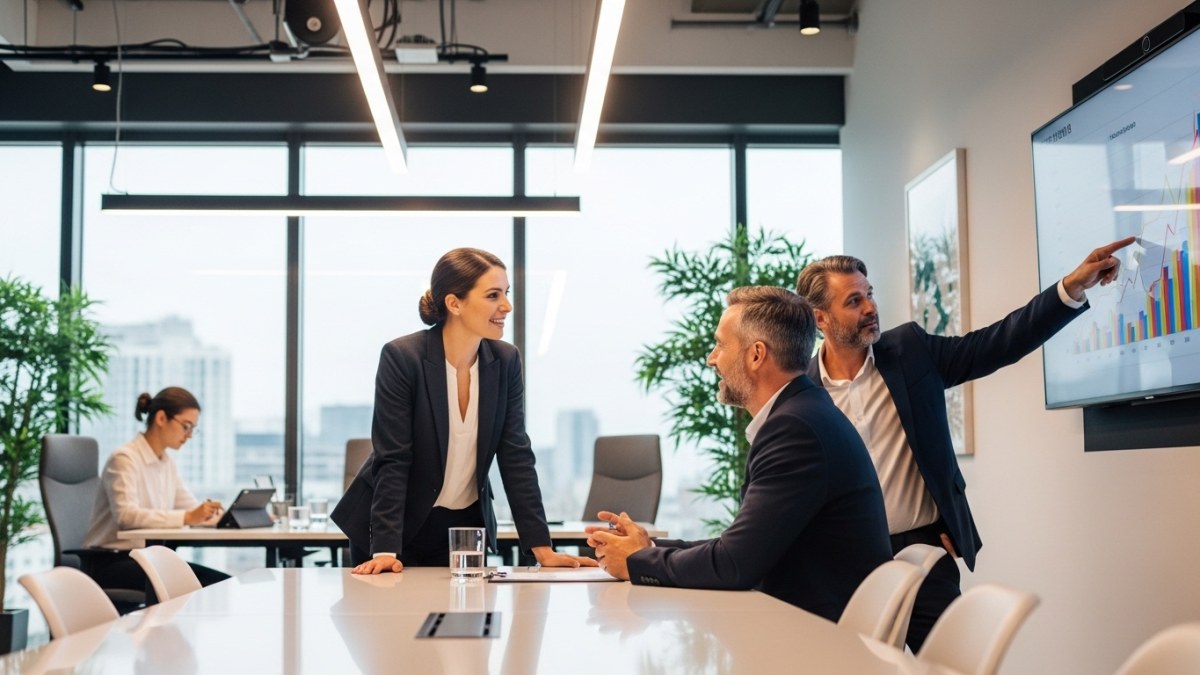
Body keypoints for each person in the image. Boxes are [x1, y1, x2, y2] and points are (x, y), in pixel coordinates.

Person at [793, 236, 1135, 650]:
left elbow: (997, 343)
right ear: (820, 319)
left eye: (869, 294)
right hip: (847, 561)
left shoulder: (910, 351)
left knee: (948, 663)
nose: (869, 308)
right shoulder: (805, 394)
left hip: (925, 554)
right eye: (853, 301)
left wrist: (1071, 288)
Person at [586, 286, 892, 621]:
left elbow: (736, 564)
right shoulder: (805, 413)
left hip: (815, 642)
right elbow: (743, 545)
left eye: (720, 344)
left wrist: (637, 561)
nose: (711, 358)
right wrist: (651, 548)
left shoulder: (795, 429)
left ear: (756, 355)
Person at [331, 247, 595, 573]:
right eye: (493, 295)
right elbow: (394, 458)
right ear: (454, 303)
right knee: (394, 622)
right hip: (393, 529)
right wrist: (385, 549)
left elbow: (515, 455)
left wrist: (543, 549)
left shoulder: (505, 360)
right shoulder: (403, 357)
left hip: (462, 529)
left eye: (506, 294)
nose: (507, 306)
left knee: (464, 621)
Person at [84, 386, 230, 598]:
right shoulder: (124, 458)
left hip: (153, 560)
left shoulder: (166, 463)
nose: (189, 435)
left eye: (193, 429)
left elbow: (191, 509)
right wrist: (188, 517)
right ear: (161, 418)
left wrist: (231, 517)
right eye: (186, 426)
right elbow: (126, 516)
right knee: (217, 588)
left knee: (223, 584)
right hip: (113, 562)